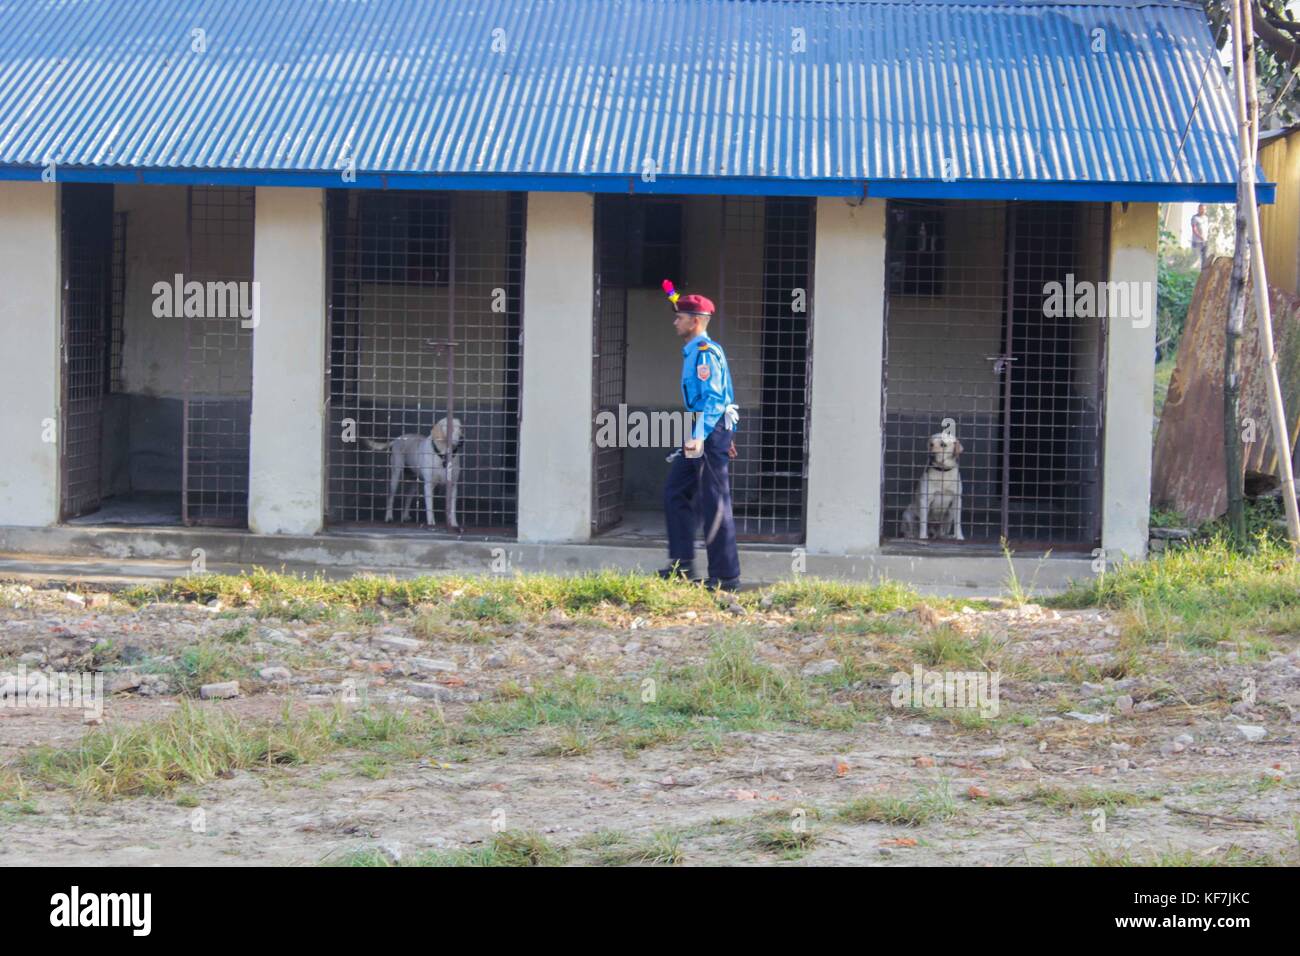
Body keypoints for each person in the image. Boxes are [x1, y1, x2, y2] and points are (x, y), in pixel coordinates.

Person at [658, 293, 741, 592]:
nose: (675, 321)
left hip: (707, 430)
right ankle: (681, 566)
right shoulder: (696, 351)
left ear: (695, 321)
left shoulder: (704, 351)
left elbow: (715, 398)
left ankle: (725, 577)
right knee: (675, 492)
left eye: (679, 317)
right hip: (708, 428)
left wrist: (702, 436)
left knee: (713, 501)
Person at [1190, 204, 1210, 269]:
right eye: (1201, 209)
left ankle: (1203, 273)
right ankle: (1194, 272)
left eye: (1204, 209)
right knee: (1196, 259)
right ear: (1198, 209)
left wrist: (1206, 238)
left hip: (1205, 241)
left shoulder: (1206, 218)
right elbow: (1194, 229)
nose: (1202, 210)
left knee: (1205, 258)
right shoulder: (1195, 218)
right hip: (1197, 242)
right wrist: (1200, 236)